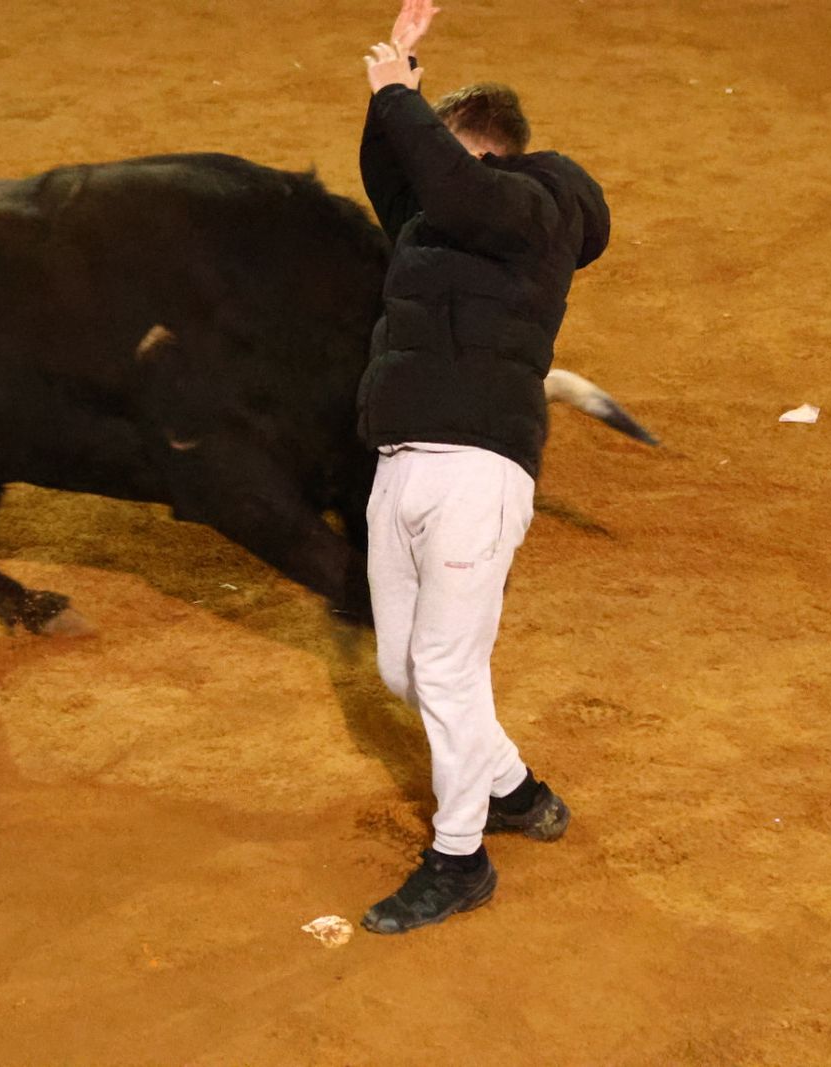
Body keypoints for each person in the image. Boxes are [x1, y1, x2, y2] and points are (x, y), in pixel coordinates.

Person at [356, 0, 612, 934]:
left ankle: (460, 860)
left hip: (476, 471)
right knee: (405, 670)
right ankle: (512, 787)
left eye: (444, 151)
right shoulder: (437, 221)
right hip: (401, 461)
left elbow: (453, 187)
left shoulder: (535, 207)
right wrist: (394, 94)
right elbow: (401, 180)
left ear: (484, 151)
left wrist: (402, 104)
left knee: (446, 668)